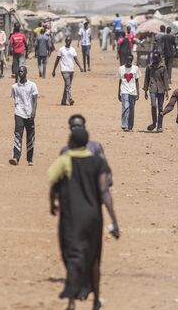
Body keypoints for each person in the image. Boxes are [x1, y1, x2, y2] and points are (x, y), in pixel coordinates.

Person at [48, 128, 120, 310]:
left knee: (73, 257)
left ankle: (72, 301)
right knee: (94, 258)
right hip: (94, 217)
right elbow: (104, 192)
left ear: (72, 142)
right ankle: (96, 299)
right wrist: (114, 221)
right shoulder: (98, 162)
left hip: (72, 217)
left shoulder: (65, 160)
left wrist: (52, 203)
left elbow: (52, 179)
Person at [60, 114, 112, 187]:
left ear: (84, 127)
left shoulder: (95, 147)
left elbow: (106, 173)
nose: (76, 128)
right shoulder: (65, 151)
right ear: (70, 128)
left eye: (79, 126)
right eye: (73, 126)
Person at [10, 66, 38, 166]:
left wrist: (34, 111)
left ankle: (29, 159)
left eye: (22, 71)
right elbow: (15, 99)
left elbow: (35, 100)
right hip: (19, 113)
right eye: (19, 71)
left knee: (30, 136)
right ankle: (15, 157)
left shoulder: (32, 85)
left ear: (26, 72)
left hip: (30, 113)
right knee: (18, 134)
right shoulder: (14, 87)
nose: (20, 73)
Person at [52, 37, 84, 106]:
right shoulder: (61, 50)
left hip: (71, 69)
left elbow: (76, 59)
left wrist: (80, 67)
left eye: (69, 40)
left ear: (71, 41)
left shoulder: (73, 50)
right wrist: (54, 70)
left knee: (67, 85)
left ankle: (63, 101)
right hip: (64, 70)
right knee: (68, 84)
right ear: (65, 41)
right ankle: (70, 99)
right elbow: (57, 60)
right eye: (67, 40)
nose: (68, 41)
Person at [144, 52, 169, 132]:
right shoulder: (149, 67)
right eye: (153, 59)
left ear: (159, 58)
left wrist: (167, 90)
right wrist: (145, 90)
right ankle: (154, 123)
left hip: (161, 89)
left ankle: (159, 126)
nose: (155, 60)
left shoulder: (163, 67)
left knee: (161, 108)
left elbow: (165, 79)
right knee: (154, 106)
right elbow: (146, 79)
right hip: (152, 88)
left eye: (156, 59)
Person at [117, 54, 140, 132]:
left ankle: (130, 126)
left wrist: (138, 92)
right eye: (128, 60)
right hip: (124, 90)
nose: (129, 61)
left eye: (131, 60)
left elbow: (137, 81)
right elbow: (120, 80)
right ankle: (124, 125)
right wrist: (118, 92)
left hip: (133, 91)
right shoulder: (121, 69)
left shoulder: (136, 68)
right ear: (125, 60)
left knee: (131, 109)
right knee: (125, 107)